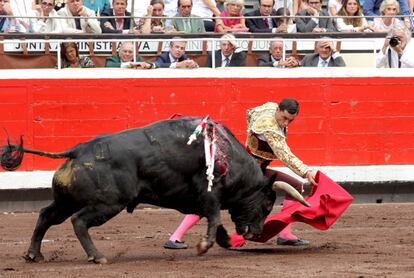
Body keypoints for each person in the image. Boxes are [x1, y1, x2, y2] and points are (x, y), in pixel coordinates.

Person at [164, 98, 317, 249]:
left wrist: (251, 135)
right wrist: (306, 171)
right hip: (247, 175)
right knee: (211, 200)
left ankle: (285, 235)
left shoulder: (269, 108)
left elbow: (250, 113)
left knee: (295, 185)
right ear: (278, 110)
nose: (285, 123)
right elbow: (285, 155)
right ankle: (175, 237)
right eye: (284, 118)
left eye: (290, 121)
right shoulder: (269, 129)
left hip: (256, 170)